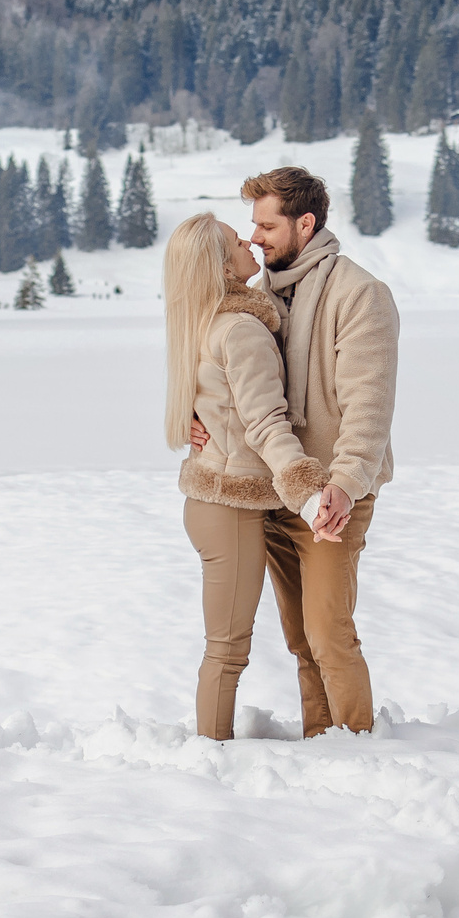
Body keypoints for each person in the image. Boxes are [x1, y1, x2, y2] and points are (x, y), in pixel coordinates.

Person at [191, 164, 397, 736]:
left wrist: (344, 486)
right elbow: (239, 384)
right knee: (302, 639)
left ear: (305, 224)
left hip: (332, 496)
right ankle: (321, 743)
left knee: (332, 636)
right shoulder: (261, 298)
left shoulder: (360, 295)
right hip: (278, 494)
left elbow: (370, 409)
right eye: (251, 226)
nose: (253, 237)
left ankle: (358, 748)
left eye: (266, 225)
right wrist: (198, 416)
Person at [165, 213, 334, 741]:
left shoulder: (204, 321)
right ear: (221, 266)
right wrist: (308, 494)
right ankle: (209, 756)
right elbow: (265, 422)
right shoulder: (241, 329)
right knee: (227, 648)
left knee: (225, 645)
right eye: (236, 241)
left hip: (213, 499)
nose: (248, 241)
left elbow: (217, 405)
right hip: (230, 504)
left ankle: (212, 748)